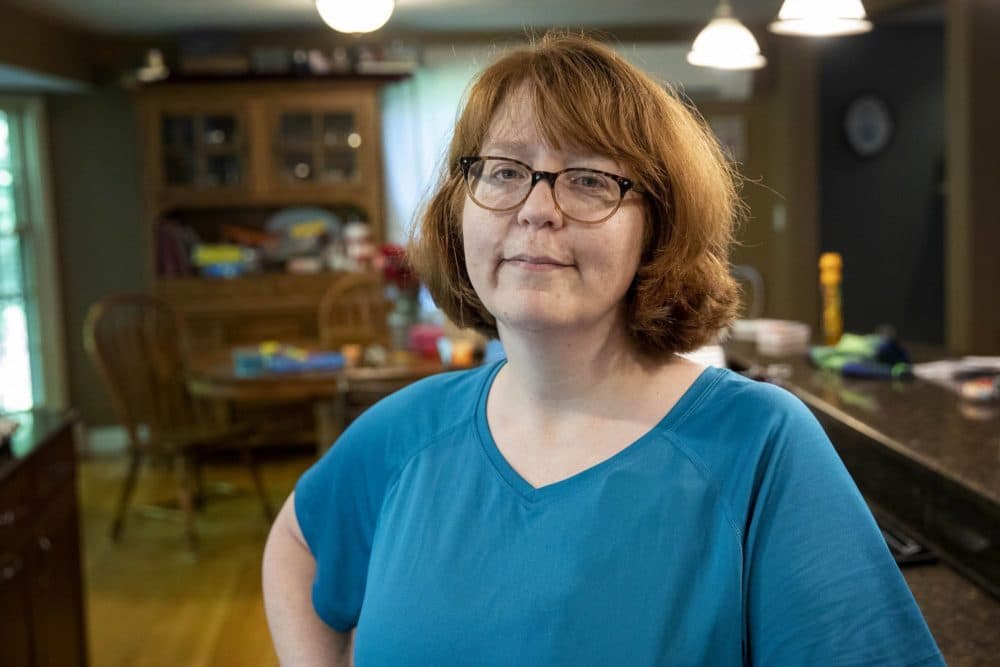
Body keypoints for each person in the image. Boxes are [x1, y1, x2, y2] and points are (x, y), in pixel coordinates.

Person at [263, 32, 943, 666]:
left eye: (589, 178)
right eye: (503, 170)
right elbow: (296, 546)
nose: (536, 207)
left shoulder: (760, 445)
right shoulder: (402, 432)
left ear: (658, 227)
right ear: (459, 208)